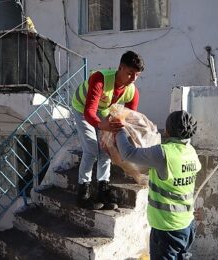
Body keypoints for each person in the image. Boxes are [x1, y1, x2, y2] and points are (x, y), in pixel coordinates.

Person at [115, 110, 201, 259]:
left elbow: (128, 154)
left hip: (167, 227)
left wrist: (120, 128)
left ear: (167, 130)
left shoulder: (163, 153)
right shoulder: (191, 152)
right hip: (187, 224)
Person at [71, 51, 144, 210]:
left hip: (103, 111)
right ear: (120, 67)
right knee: (91, 149)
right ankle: (83, 191)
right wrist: (101, 125)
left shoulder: (132, 92)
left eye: (136, 75)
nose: (133, 79)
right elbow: (89, 111)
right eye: (130, 73)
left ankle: (103, 189)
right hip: (82, 108)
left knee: (106, 148)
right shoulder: (100, 79)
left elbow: (130, 119)